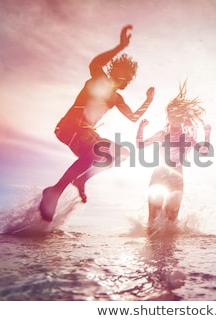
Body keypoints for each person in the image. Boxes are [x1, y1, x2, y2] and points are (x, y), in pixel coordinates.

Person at [39, 25, 155, 222]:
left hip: (88, 133)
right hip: (69, 127)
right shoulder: (99, 79)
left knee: (123, 153)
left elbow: (133, 117)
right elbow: (95, 63)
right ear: (117, 73)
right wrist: (120, 46)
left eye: (129, 79)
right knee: (94, 150)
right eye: (126, 77)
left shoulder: (117, 98)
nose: (127, 82)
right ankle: (55, 191)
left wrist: (148, 101)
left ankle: (82, 178)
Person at [136, 82, 211, 232]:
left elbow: (203, 152)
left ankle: (169, 253)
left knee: (171, 221)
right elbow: (140, 145)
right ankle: (151, 250)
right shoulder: (162, 134)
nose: (176, 118)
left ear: (183, 119)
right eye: (172, 115)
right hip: (159, 175)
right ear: (168, 117)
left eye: (179, 116)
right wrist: (141, 128)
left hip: (177, 178)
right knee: (153, 218)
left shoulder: (187, 137)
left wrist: (207, 134)